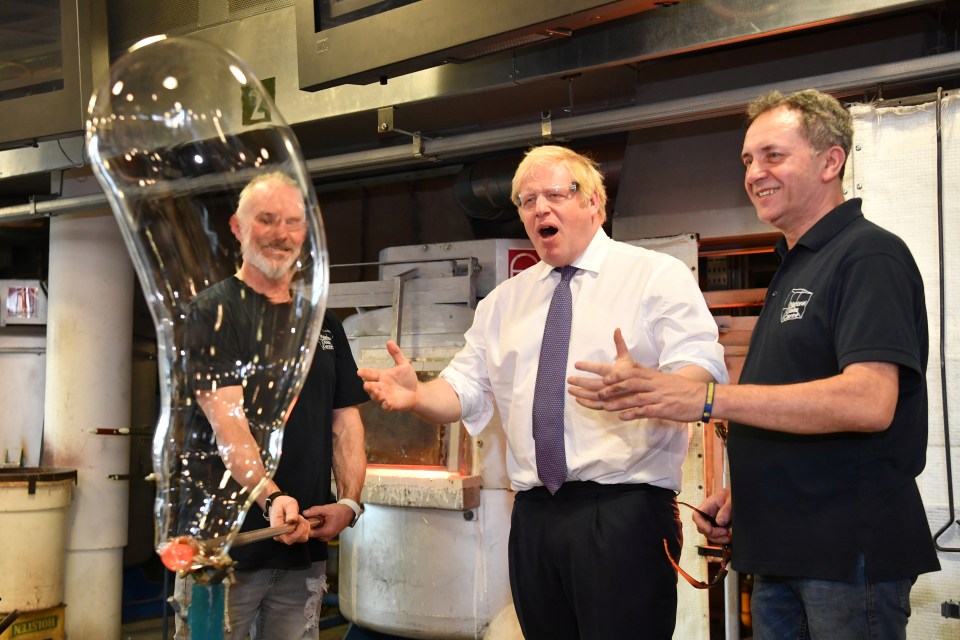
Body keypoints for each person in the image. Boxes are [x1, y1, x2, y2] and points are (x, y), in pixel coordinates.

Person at [570, 89, 940, 639]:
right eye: (747, 160)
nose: (754, 173)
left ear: (830, 162)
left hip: (846, 556)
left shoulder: (868, 255)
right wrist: (744, 496)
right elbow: (798, 410)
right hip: (779, 550)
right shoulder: (793, 268)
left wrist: (707, 398)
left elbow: (869, 400)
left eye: (773, 155)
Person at [357, 145, 727, 639]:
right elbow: (464, 388)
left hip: (623, 510)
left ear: (594, 201)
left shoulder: (653, 276)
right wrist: (417, 395)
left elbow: (700, 369)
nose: (538, 210)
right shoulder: (504, 301)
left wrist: (652, 387)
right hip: (534, 516)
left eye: (553, 194)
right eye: (526, 200)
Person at [175, 172, 368, 640]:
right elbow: (229, 427)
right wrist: (273, 497)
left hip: (302, 549)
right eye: (266, 220)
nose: (281, 234)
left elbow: (346, 425)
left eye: (293, 222)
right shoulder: (213, 313)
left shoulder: (324, 328)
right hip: (223, 552)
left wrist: (348, 502)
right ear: (238, 229)